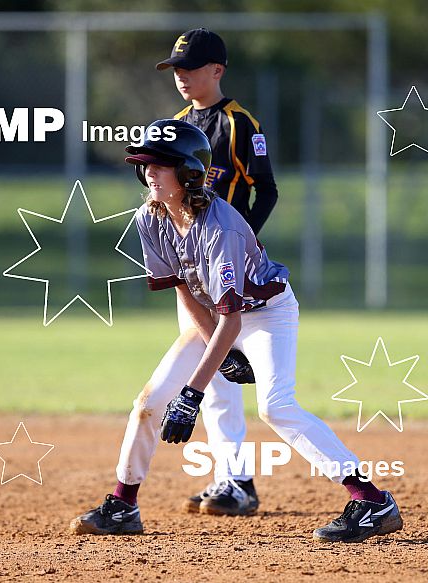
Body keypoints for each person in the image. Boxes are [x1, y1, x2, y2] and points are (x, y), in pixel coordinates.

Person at [70, 119, 403, 543]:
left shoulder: (219, 227)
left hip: (266, 314)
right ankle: (123, 505)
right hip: (214, 317)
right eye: (144, 164)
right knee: (149, 403)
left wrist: (192, 394)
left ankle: (372, 500)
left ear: (189, 172)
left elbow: (235, 319)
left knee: (276, 407)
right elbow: (185, 290)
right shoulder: (150, 218)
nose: (149, 172)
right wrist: (220, 353)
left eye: (160, 164)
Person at [156, 27, 279, 516]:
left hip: (228, 269)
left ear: (217, 70)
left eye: (190, 67)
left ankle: (237, 481)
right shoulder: (175, 125)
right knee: (215, 378)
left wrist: (239, 241)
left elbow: (266, 190)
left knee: (247, 379)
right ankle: (234, 479)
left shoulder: (240, 124)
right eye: (176, 69)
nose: (181, 76)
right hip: (191, 272)